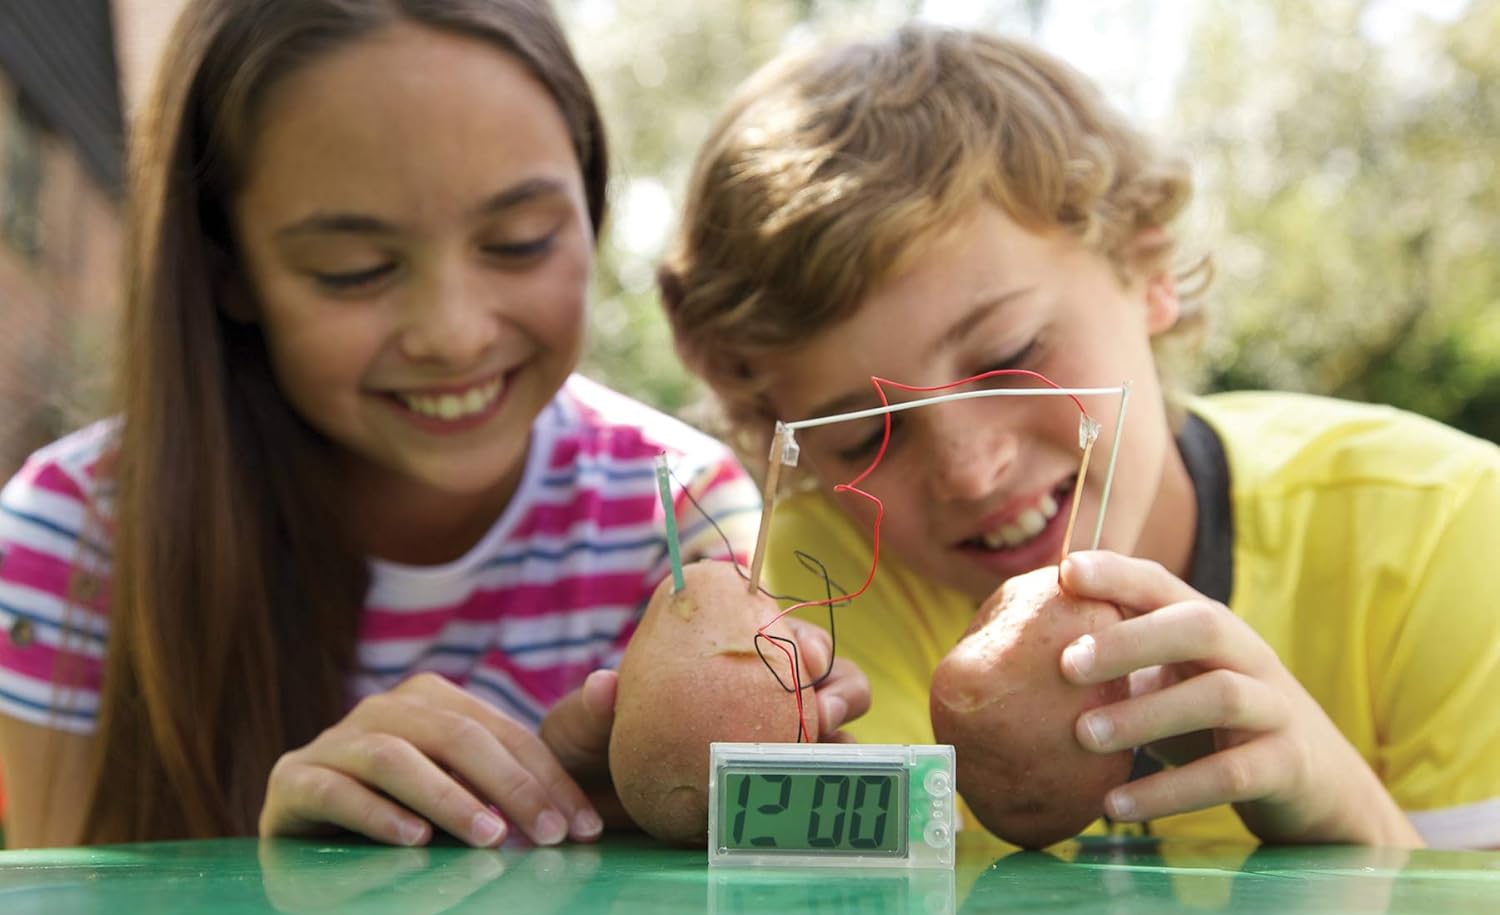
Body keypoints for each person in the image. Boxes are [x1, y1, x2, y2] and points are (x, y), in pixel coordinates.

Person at [0, 0, 868, 851]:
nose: (454, 333)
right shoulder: (78, 542)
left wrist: (593, 820)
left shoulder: (679, 512)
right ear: (229, 268)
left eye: (520, 240)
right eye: (356, 269)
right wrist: (271, 882)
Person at [660, 24, 1500, 849]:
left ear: (1149, 268)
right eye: (865, 437)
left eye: (1008, 357)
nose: (969, 469)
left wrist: (1339, 806)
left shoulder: (1448, 532)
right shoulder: (829, 584)